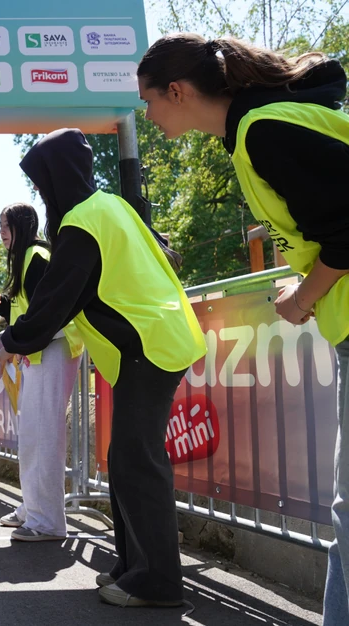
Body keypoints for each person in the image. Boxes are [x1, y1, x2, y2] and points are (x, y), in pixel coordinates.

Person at [137, 34, 349, 623]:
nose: (149, 117)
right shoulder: (259, 129)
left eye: (150, 102)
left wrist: (304, 296)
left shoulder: (264, 130)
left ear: (178, 91)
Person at [0, 128, 205, 608]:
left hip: (148, 347)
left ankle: (158, 583)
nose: (41, 195)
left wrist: (13, 340)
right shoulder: (110, 207)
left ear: (55, 179)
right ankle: (134, 569)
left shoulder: (85, 221)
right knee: (129, 461)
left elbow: (57, 297)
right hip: (152, 344)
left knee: (137, 463)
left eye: (42, 183)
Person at [0, 203, 84, 541]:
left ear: (22, 226)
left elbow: (51, 311)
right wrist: (7, 318)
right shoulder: (30, 257)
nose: (1, 233)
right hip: (40, 353)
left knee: (43, 438)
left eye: (6, 225)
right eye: (0, 225)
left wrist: (10, 345)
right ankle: (34, 509)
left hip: (53, 349)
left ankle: (48, 522)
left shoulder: (36, 256)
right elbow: (30, 309)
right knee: (33, 437)